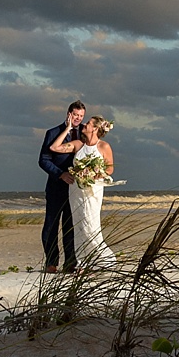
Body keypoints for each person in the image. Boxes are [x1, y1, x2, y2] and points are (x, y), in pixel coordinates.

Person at [38, 101, 87, 272]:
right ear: (68, 114)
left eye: (81, 116)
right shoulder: (53, 133)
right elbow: (43, 160)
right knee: (51, 226)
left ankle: (70, 263)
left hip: (76, 188)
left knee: (70, 226)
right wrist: (61, 174)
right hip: (56, 187)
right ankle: (51, 262)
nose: (78, 119)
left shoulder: (85, 134)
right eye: (75, 115)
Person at [67, 115, 117, 269]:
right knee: (79, 224)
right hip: (76, 190)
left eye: (88, 123)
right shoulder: (79, 144)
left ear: (95, 128)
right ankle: (82, 263)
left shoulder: (104, 147)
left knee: (91, 224)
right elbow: (54, 148)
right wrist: (68, 128)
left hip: (93, 190)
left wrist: (96, 173)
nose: (84, 124)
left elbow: (110, 168)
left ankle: (104, 260)